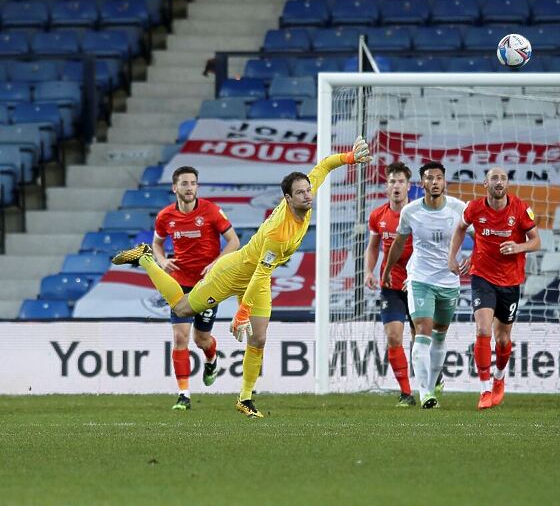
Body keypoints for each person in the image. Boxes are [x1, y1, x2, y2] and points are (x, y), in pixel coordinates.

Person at [112, 137, 372, 418]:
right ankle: (145, 258)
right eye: (301, 193)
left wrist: (350, 158)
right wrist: (241, 314)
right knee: (181, 308)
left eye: (308, 190)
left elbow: (323, 166)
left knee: (258, 339)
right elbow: (260, 273)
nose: (308, 195)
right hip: (234, 273)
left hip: (258, 278)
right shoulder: (277, 234)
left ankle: (245, 399)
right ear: (288, 198)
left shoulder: (305, 196)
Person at [448, 167, 540, 410]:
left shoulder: (520, 208)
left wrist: (517, 247)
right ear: (484, 184)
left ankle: (499, 378)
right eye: (494, 178)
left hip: (510, 281)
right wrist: (452, 257)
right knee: (482, 329)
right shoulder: (474, 209)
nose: (499, 182)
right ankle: (485, 388)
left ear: (507, 184)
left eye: (503, 178)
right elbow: (459, 228)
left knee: (502, 339)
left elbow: (536, 241)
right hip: (482, 277)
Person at [153, 166, 240, 410]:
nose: (189, 187)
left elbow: (234, 241)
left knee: (201, 339)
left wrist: (216, 263)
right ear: (175, 188)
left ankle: (211, 359)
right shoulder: (165, 217)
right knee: (180, 337)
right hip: (180, 282)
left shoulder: (211, 211)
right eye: (184, 183)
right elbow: (157, 243)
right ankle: (184, 396)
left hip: (208, 284)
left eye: (193, 183)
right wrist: (161, 260)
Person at [381, 162, 465, 409]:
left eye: (439, 178)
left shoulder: (459, 208)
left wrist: (473, 258)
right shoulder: (411, 211)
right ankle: (426, 393)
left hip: (449, 280)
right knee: (422, 331)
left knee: (439, 336)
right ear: (422, 183)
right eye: (430, 178)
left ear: (444, 182)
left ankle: (432, 381)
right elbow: (398, 243)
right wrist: (386, 270)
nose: (435, 182)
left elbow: (478, 235)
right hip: (420, 278)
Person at [365, 161, 417, 407]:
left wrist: (415, 276)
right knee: (394, 336)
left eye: (401, 182)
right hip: (391, 284)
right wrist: (369, 271)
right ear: (386, 186)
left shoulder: (418, 213)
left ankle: (432, 382)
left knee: (422, 341)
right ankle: (406, 393)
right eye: (392, 182)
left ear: (409, 186)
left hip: (419, 285)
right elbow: (373, 247)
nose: (396, 186)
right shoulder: (378, 216)